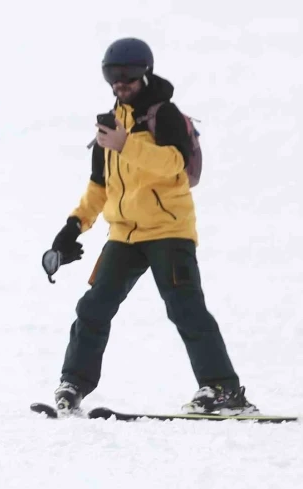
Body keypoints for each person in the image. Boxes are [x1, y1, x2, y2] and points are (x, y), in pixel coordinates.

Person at [49, 38, 257, 415]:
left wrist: (126, 144)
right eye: (113, 75)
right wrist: (72, 228)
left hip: (169, 231)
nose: (120, 82)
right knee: (93, 307)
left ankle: (223, 389)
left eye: (127, 75)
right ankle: (72, 384)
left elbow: (173, 164)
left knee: (185, 308)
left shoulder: (164, 115)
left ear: (144, 72)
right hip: (124, 236)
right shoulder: (109, 126)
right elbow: (100, 185)